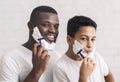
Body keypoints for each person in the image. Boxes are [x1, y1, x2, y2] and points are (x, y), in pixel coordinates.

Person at [0, 6, 61, 82]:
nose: (53, 30)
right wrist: (36, 72)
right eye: (46, 25)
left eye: (56, 26)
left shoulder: (57, 57)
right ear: (31, 26)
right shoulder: (10, 59)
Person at [53, 16, 115, 82]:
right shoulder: (60, 68)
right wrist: (83, 76)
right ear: (69, 40)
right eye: (84, 38)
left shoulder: (96, 57)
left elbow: (108, 75)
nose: (90, 45)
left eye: (93, 39)